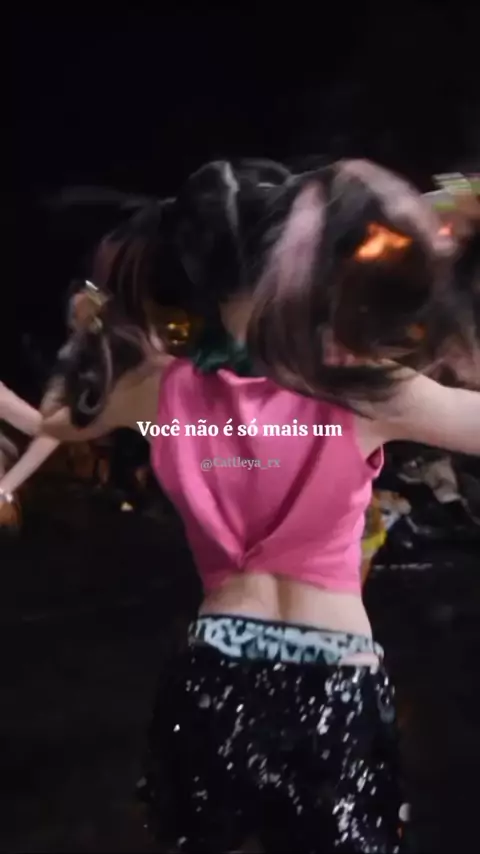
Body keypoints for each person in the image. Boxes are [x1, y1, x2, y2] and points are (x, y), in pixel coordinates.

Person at [6, 158, 480, 852]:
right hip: (334, 679)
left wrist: (92, 335)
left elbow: (49, 419)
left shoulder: (161, 392)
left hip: (215, 672)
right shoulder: (361, 388)